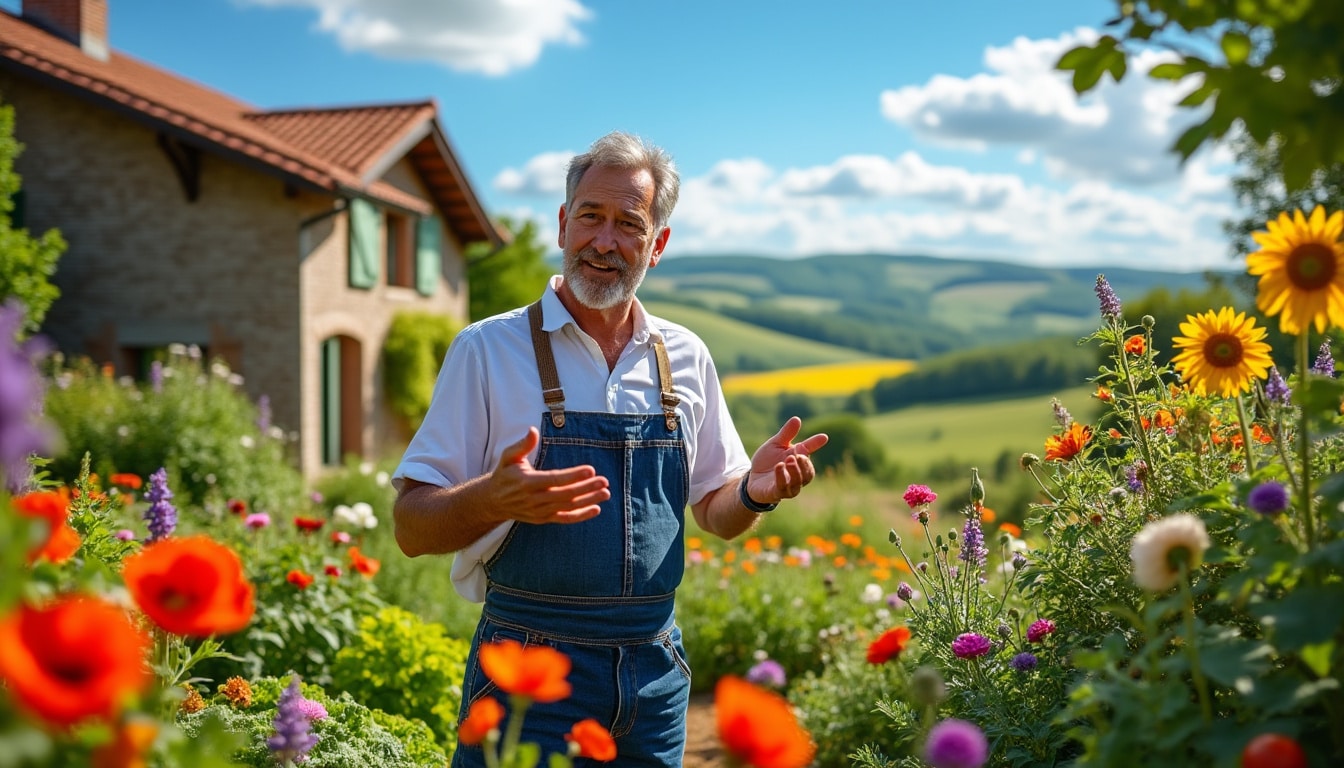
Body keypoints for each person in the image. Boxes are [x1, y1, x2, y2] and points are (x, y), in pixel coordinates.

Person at [391, 130, 828, 767]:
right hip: (528, 671)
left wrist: (753, 494)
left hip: (654, 676)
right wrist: (493, 498)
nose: (604, 240)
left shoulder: (686, 356)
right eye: (591, 216)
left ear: (658, 244)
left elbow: (716, 512)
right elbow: (410, 528)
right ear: (563, 223)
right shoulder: (486, 350)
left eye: (629, 224)